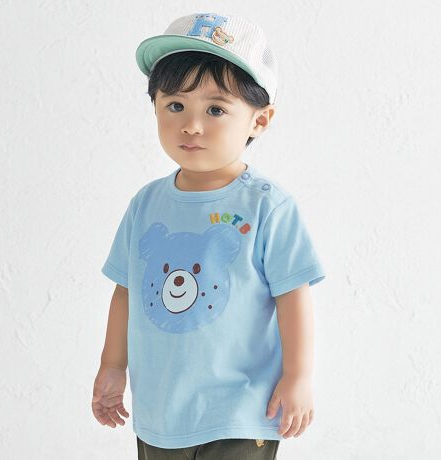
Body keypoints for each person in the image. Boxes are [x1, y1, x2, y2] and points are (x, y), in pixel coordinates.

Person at [92, 12, 326, 460]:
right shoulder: (146, 205)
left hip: (242, 409)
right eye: (175, 106)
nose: (192, 125)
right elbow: (126, 290)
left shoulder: (267, 206)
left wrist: (297, 376)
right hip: (160, 413)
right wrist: (112, 366)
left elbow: (293, 295)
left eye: (216, 109)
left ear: (260, 120)